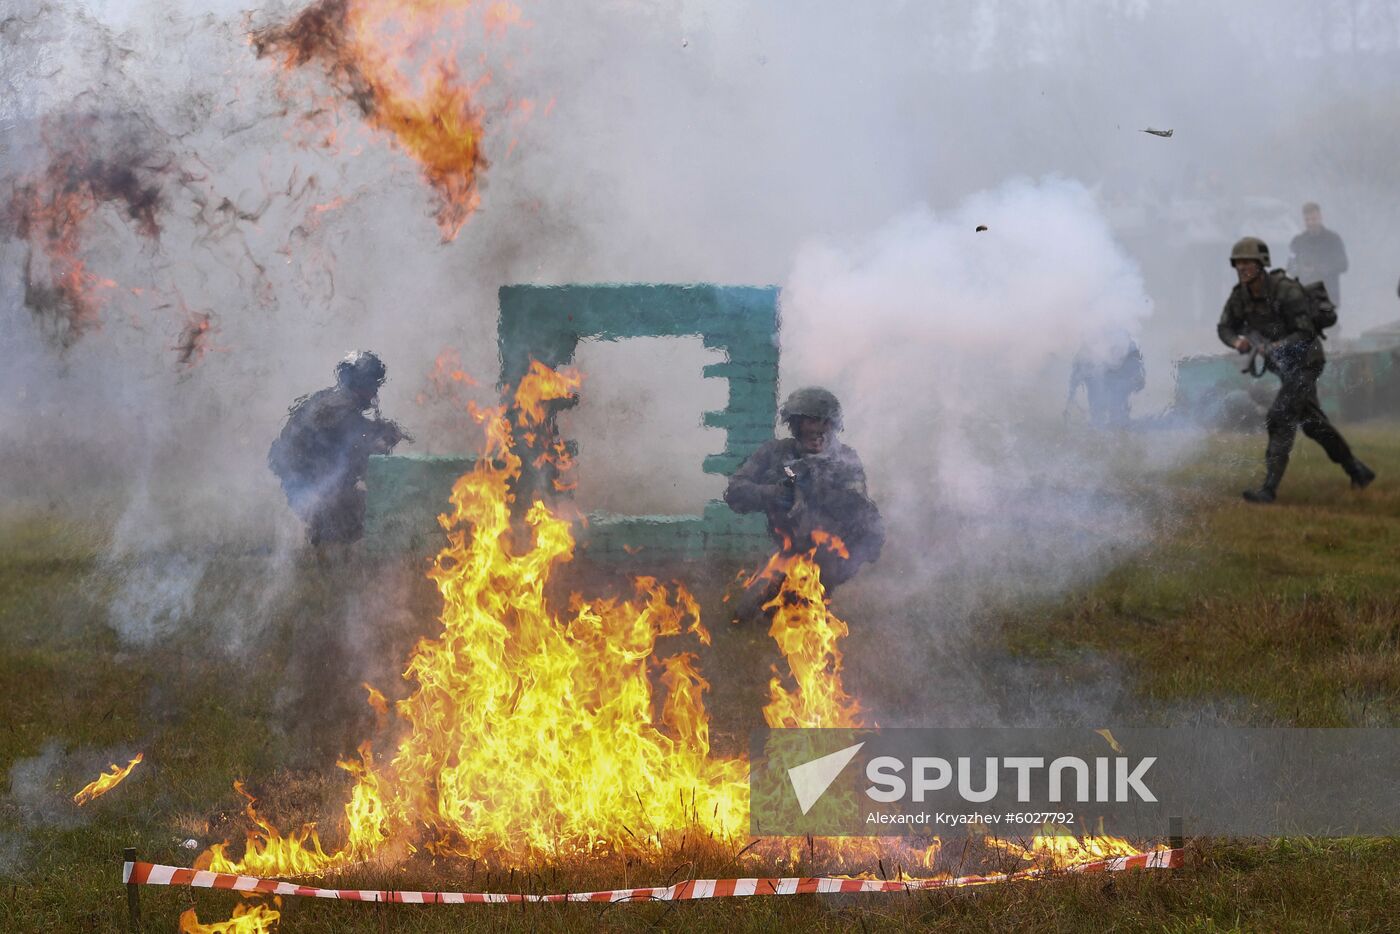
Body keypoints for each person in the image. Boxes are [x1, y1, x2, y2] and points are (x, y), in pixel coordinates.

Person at [1216, 237, 1374, 503]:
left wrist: (1278, 345)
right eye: (1238, 263)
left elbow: (1305, 333)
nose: (1242, 268)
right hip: (1283, 369)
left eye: (1248, 262)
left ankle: (1268, 489)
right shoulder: (1239, 296)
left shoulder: (1284, 290)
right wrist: (1237, 341)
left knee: (1280, 416)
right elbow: (1225, 327)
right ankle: (1357, 469)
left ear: (1261, 263)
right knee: (1313, 425)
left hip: (1306, 362)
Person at [724, 387, 884, 619]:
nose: (818, 431)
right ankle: (790, 592)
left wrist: (818, 492)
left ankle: (814, 596)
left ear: (833, 427)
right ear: (796, 425)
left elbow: (862, 512)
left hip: (829, 555)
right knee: (746, 613)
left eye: (824, 423)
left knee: (808, 613)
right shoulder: (774, 453)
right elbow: (735, 492)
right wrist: (774, 493)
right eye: (810, 422)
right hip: (788, 549)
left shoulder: (845, 459)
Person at [269, 351, 409, 544]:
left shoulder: (327, 400)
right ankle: (329, 545)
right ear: (361, 385)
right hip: (312, 492)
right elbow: (359, 455)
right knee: (382, 508)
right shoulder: (340, 411)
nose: (374, 394)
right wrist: (383, 441)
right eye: (372, 386)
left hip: (303, 486)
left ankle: (327, 539)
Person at [1067, 331, 1146, 428]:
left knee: (1117, 406)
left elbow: (1135, 360)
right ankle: (1100, 427)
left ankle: (1117, 426)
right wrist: (1073, 389)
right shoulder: (1091, 341)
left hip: (1119, 374)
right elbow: (1080, 362)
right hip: (1096, 373)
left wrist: (1138, 376)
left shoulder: (1126, 342)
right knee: (1098, 406)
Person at [1287, 202, 1348, 307]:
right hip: (1305, 296)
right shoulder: (1298, 242)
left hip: (1329, 295)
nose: (1310, 223)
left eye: (1313, 219)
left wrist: (1320, 268)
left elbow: (1343, 264)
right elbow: (1290, 267)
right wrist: (1301, 269)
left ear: (1320, 217)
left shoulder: (1333, 239)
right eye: (1307, 220)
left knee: (1329, 323)